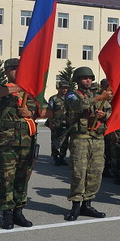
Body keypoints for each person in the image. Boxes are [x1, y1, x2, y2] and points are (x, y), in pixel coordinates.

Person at [0, 58, 39, 229]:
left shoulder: (31, 90)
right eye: (13, 69)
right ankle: (7, 213)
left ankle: (19, 211)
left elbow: (43, 110)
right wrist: (17, 88)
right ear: (6, 71)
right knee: (7, 178)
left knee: (23, 178)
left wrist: (29, 112)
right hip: (7, 141)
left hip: (27, 141)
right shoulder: (0, 87)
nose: (16, 71)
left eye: (19, 68)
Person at [64, 66, 112, 221]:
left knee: (95, 173)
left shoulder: (100, 96)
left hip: (97, 138)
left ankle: (88, 204)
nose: (88, 81)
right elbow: (79, 105)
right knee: (79, 173)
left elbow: (111, 111)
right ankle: (76, 206)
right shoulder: (72, 94)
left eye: (90, 78)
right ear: (77, 80)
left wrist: (104, 114)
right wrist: (99, 98)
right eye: (85, 78)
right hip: (80, 139)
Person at [45, 81, 71, 166]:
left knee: (65, 142)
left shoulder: (70, 99)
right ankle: (55, 158)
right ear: (59, 88)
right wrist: (50, 122)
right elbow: (50, 111)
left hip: (66, 124)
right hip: (56, 123)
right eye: (63, 88)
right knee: (55, 141)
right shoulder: (53, 99)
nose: (64, 90)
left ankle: (62, 158)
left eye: (66, 88)